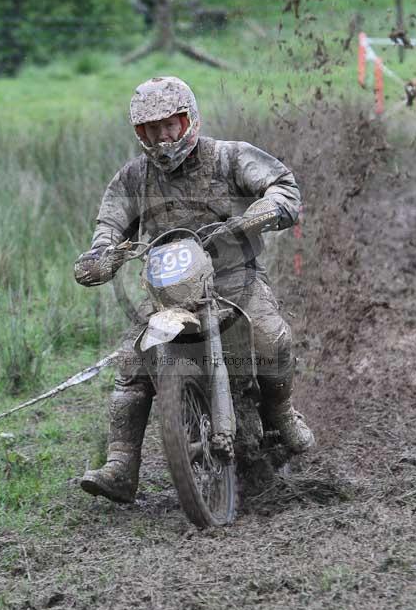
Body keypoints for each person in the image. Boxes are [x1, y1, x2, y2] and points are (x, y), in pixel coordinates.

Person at [74, 76, 314, 503]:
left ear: (189, 118)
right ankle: (121, 464)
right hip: (169, 294)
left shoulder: (228, 157)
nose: (162, 135)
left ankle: (280, 411)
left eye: (170, 123)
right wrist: (102, 256)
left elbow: (283, 187)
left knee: (268, 337)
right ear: (139, 133)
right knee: (133, 362)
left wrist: (258, 215)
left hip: (235, 279)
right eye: (151, 128)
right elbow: (108, 227)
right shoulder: (132, 179)